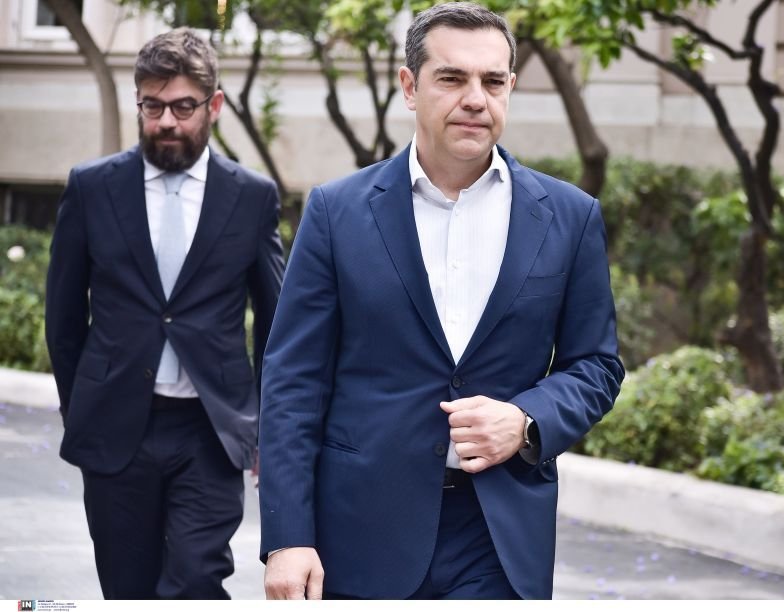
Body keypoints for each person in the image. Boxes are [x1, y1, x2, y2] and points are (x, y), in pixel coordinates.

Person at [258, 1, 624, 600]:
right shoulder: (335, 212)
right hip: (361, 533)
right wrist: (287, 537)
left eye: (493, 81)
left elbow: (597, 365)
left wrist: (527, 420)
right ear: (410, 86)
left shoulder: (570, 216)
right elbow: (293, 381)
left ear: (510, 88)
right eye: (452, 78)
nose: (475, 99)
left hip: (499, 537)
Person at [44, 28, 285, 599]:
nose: (166, 122)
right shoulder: (92, 187)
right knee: (126, 589)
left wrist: (267, 428)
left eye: (182, 107)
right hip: (116, 425)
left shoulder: (251, 196)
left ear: (214, 105)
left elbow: (276, 325)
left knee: (196, 580)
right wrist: (82, 408)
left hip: (209, 428)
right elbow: (62, 318)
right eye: (152, 107)